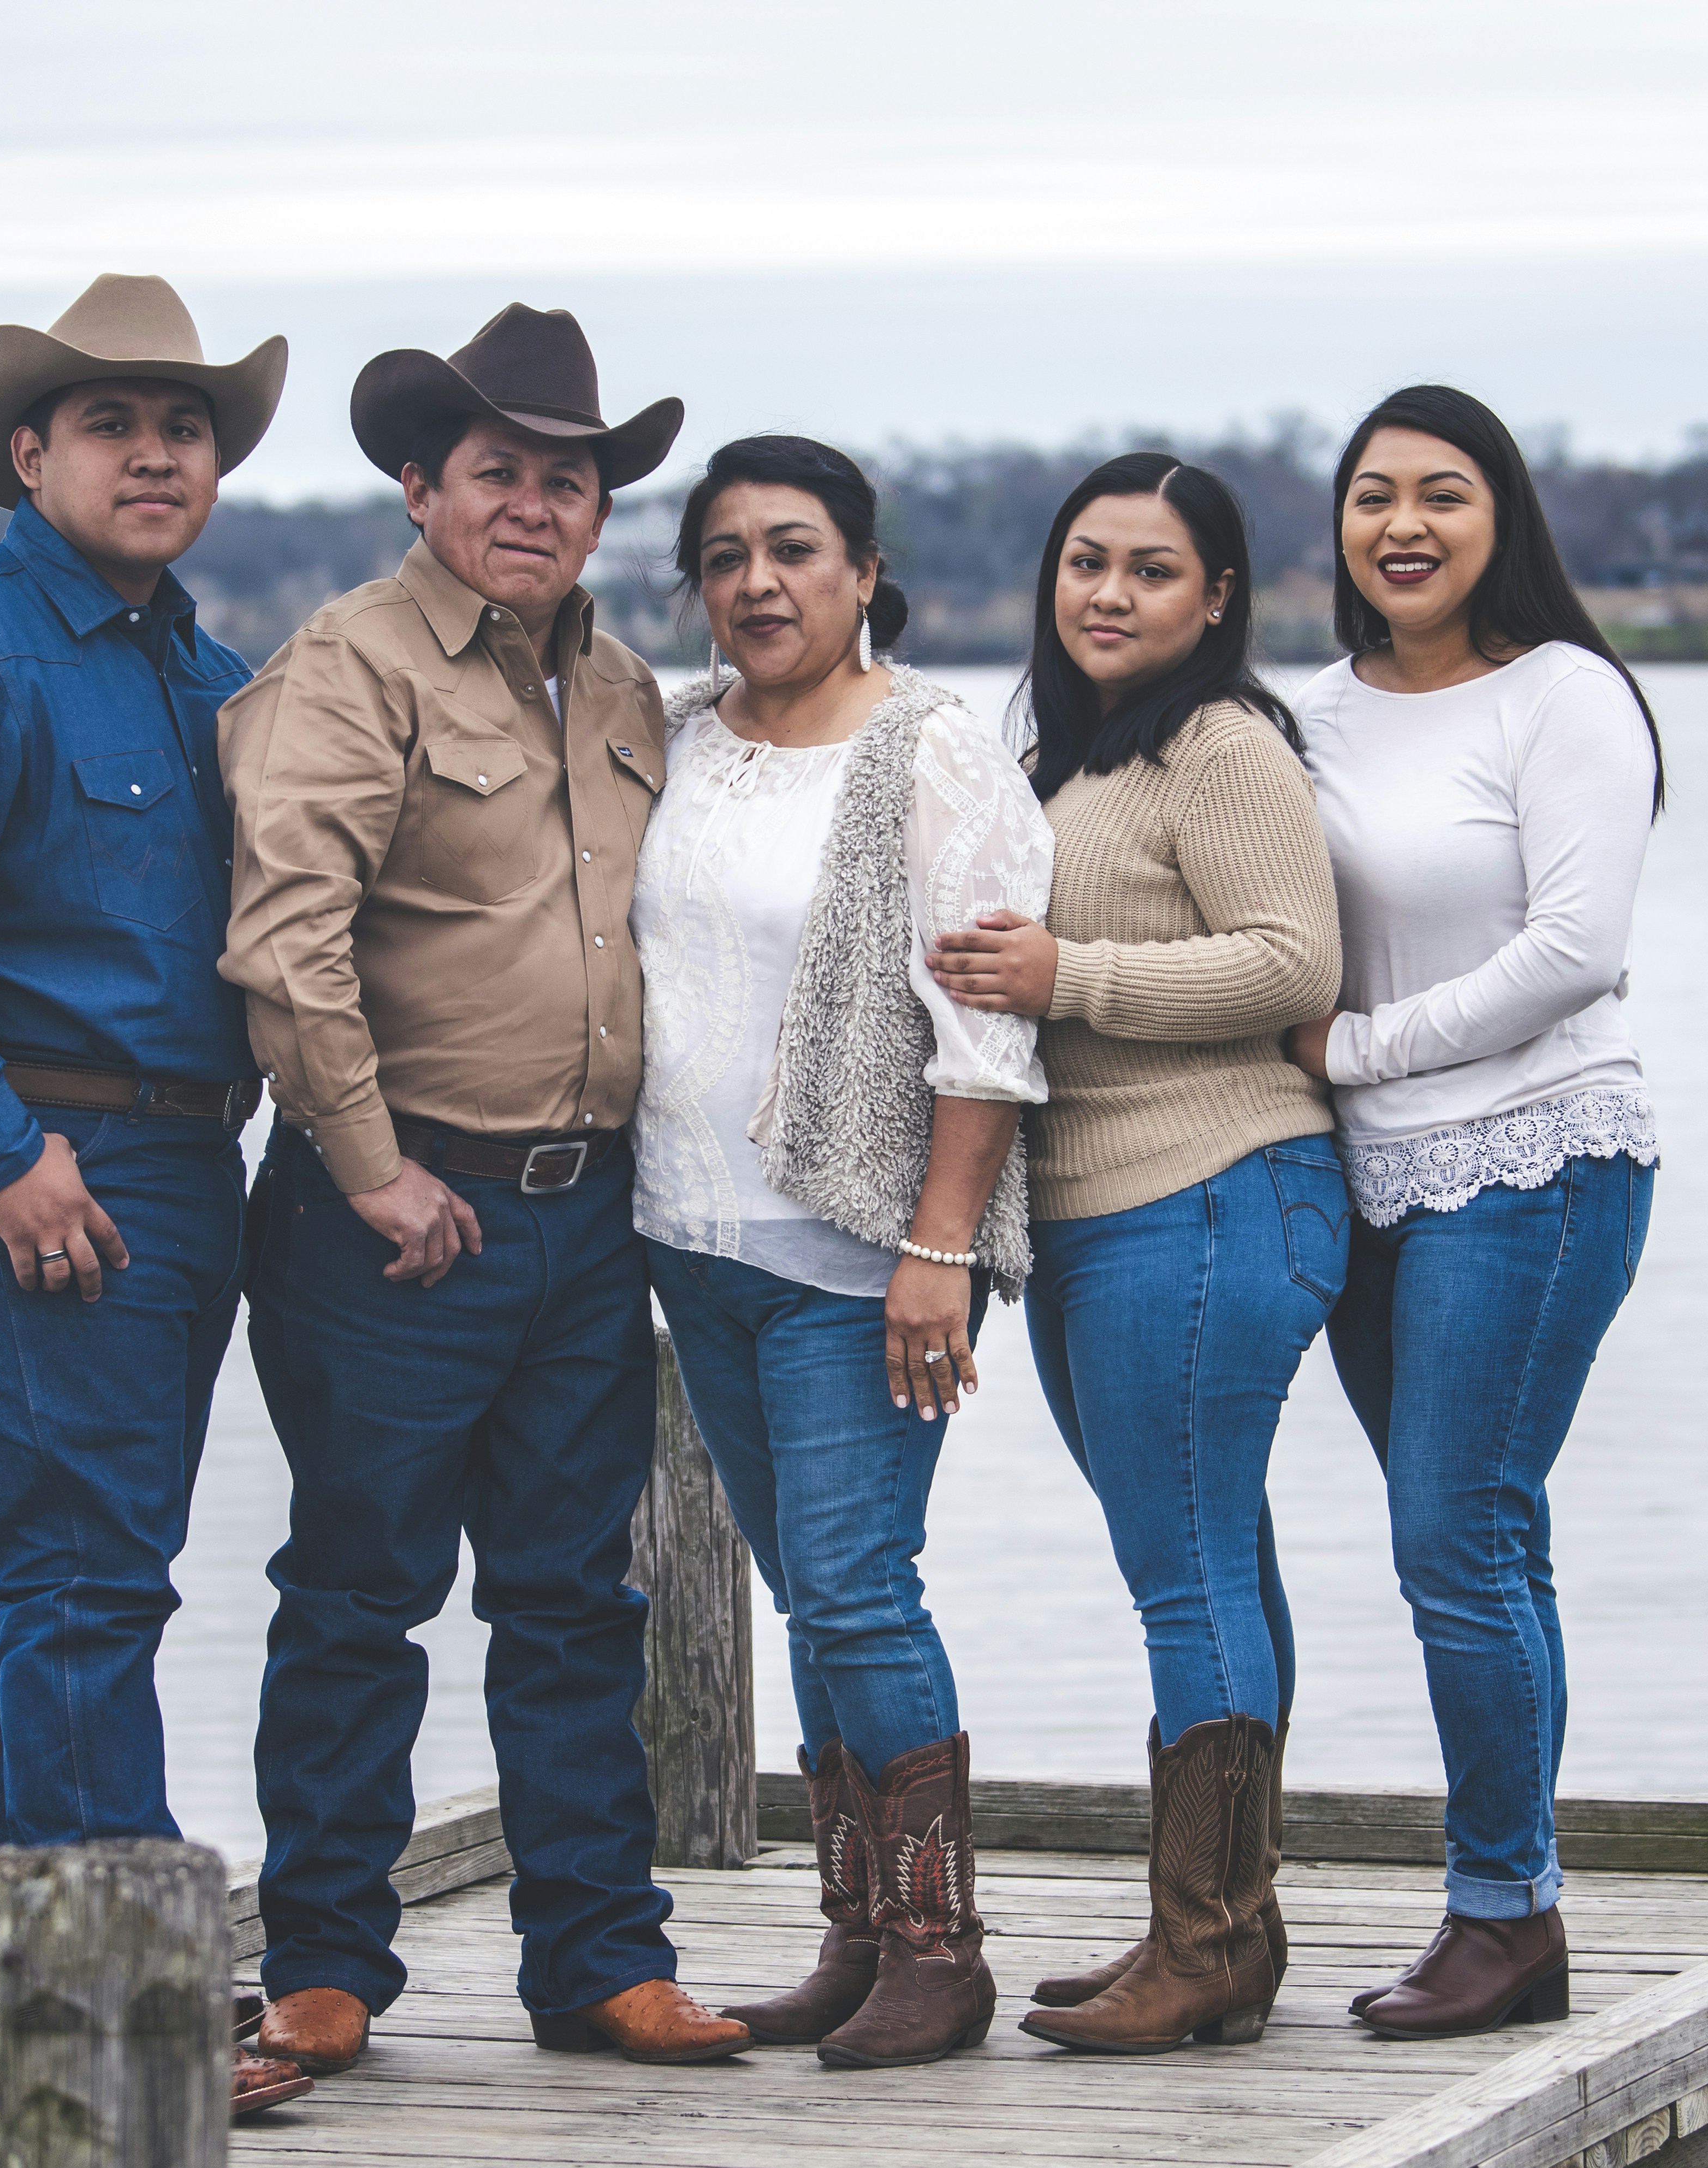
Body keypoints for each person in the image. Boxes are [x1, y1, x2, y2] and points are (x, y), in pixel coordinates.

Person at [217, 306, 750, 2074]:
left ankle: (598, 1961)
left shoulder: (613, 685)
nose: (534, 501)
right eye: (498, 470)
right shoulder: (350, 663)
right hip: (393, 1212)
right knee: (361, 1594)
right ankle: (324, 1970)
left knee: (576, 1597)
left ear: (602, 509)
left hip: (583, 1213)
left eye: (568, 476)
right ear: (419, 482)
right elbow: (287, 939)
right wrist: (370, 1169)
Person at [0, 275, 310, 2114]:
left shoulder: (203, 670)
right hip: (32, 1166)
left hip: (189, 1162)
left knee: (63, 1562)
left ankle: (32, 1967)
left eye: (184, 426)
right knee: (87, 1565)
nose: (157, 453)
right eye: (114, 423)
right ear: (30, 454)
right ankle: (138, 2000)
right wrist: (4, 1156)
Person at [632, 436, 1052, 2069]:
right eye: (724, 555)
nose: (758, 583)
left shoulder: (928, 753)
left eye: (794, 549)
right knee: (808, 1591)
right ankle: (857, 1929)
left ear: (864, 570)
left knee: (862, 1589)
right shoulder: (671, 739)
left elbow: (986, 1027)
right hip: (691, 1236)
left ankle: (942, 1951)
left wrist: (938, 1241)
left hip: (857, 1244)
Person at [929, 453, 1346, 2056]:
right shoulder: (1073, 759)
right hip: (1109, 1212)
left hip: (1215, 1185)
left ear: (1218, 598)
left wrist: (1065, 973)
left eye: (1151, 569)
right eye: (1085, 561)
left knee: (1181, 1568)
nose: (1107, 592)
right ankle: (1221, 1930)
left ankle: (1208, 1941)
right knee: (1212, 1555)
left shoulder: (1220, 746)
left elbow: (1287, 962)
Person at [1283, 385, 1662, 2040]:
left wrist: (1363, 1047)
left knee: (1454, 1537)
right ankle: (1523, 1899)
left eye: (1442, 493)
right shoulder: (1309, 712)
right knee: (1484, 1541)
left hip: (1533, 1157)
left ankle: (1499, 1914)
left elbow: (1576, 950)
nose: (1404, 526)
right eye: (1373, 496)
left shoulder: (1562, 696)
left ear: (1499, 516)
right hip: (1365, 1182)